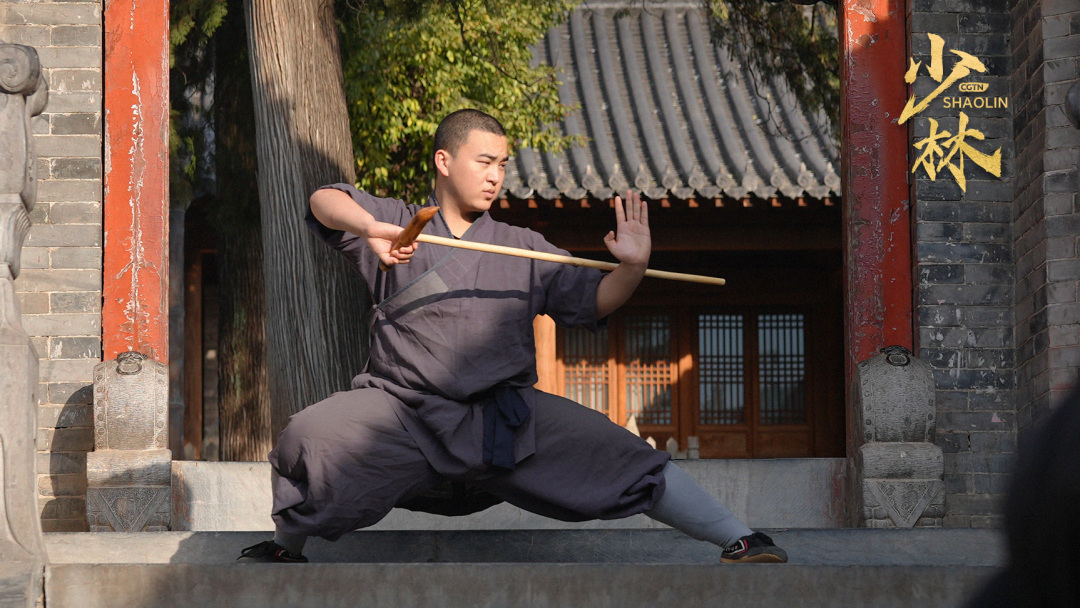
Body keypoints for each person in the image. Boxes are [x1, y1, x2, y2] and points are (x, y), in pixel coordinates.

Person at [238, 109, 786, 564]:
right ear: (444, 161)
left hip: (504, 419)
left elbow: (592, 300)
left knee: (620, 452)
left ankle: (738, 537)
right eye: (484, 161)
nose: (496, 175)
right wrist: (372, 229)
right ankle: (288, 548)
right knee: (311, 434)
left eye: (502, 164)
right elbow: (322, 201)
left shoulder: (523, 245)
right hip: (402, 412)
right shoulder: (399, 223)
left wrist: (633, 270)